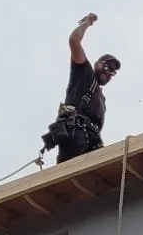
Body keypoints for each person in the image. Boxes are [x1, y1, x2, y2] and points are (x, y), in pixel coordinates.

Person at [44, 14, 121, 163]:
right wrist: (87, 23)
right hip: (75, 133)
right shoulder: (84, 73)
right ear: (96, 64)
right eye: (106, 66)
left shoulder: (101, 98)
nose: (108, 72)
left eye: (112, 71)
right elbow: (74, 41)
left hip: (92, 139)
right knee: (68, 171)